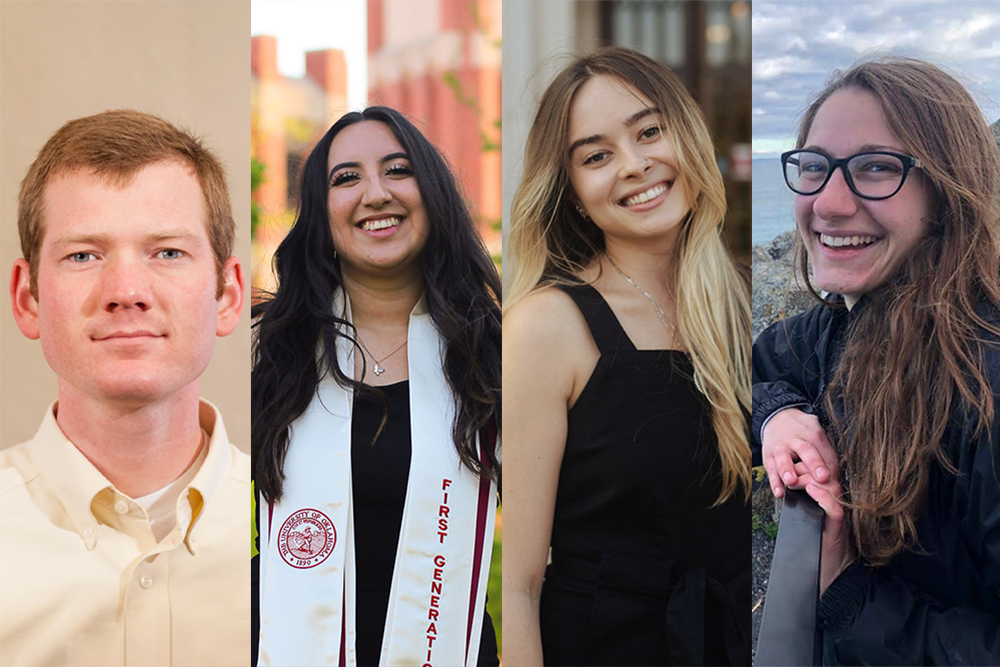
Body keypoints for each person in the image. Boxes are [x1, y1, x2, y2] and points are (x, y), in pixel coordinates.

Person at [503, 46, 752, 666]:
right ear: (571, 189)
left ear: (687, 136)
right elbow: (520, 584)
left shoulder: (748, 303)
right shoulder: (546, 327)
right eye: (596, 155)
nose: (636, 165)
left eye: (649, 132)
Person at [753, 57, 1000, 665]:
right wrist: (779, 416)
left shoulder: (984, 380)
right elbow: (758, 363)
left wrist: (848, 594)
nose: (829, 203)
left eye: (875, 168)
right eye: (814, 167)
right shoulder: (852, 320)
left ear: (947, 189)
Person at [252, 107, 501, 667]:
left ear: (431, 193)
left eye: (398, 170)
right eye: (346, 178)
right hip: (281, 643)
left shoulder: (493, 354)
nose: (375, 193)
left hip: (449, 648)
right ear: (321, 214)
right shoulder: (267, 352)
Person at [0, 110, 248, 667]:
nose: (127, 291)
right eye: (83, 255)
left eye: (167, 251)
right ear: (28, 298)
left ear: (228, 295)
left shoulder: (308, 531)